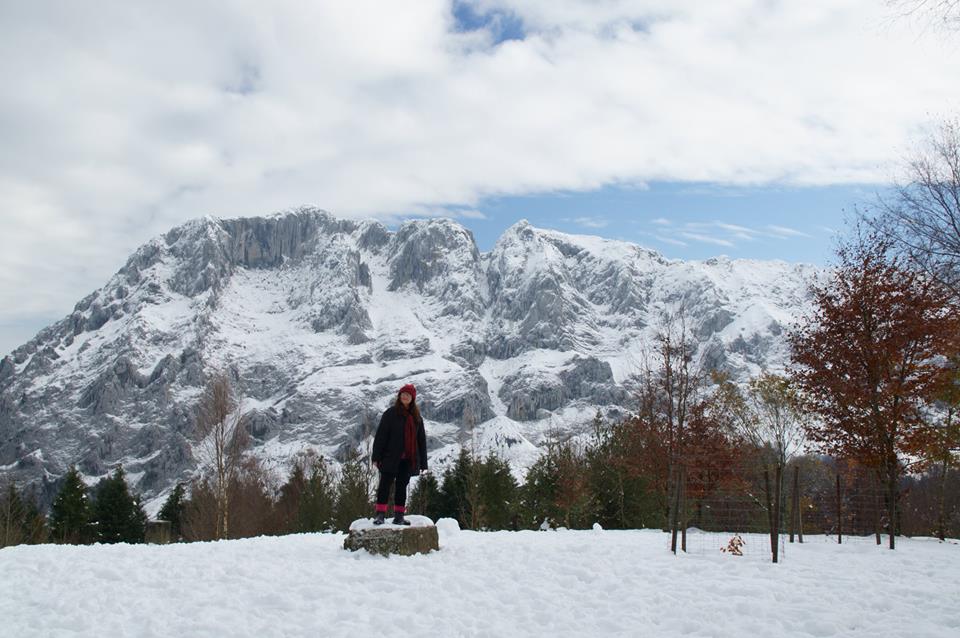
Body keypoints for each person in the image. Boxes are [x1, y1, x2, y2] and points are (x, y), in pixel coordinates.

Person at [371, 383, 428, 525]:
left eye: (408, 395)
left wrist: (423, 463)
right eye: (403, 394)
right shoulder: (390, 413)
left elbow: (421, 441)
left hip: (408, 459)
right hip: (390, 457)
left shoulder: (416, 418)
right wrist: (376, 457)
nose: (405, 397)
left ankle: (399, 516)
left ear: (412, 398)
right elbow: (381, 436)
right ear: (399, 396)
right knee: (385, 485)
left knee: (402, 487)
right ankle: (380, 514)